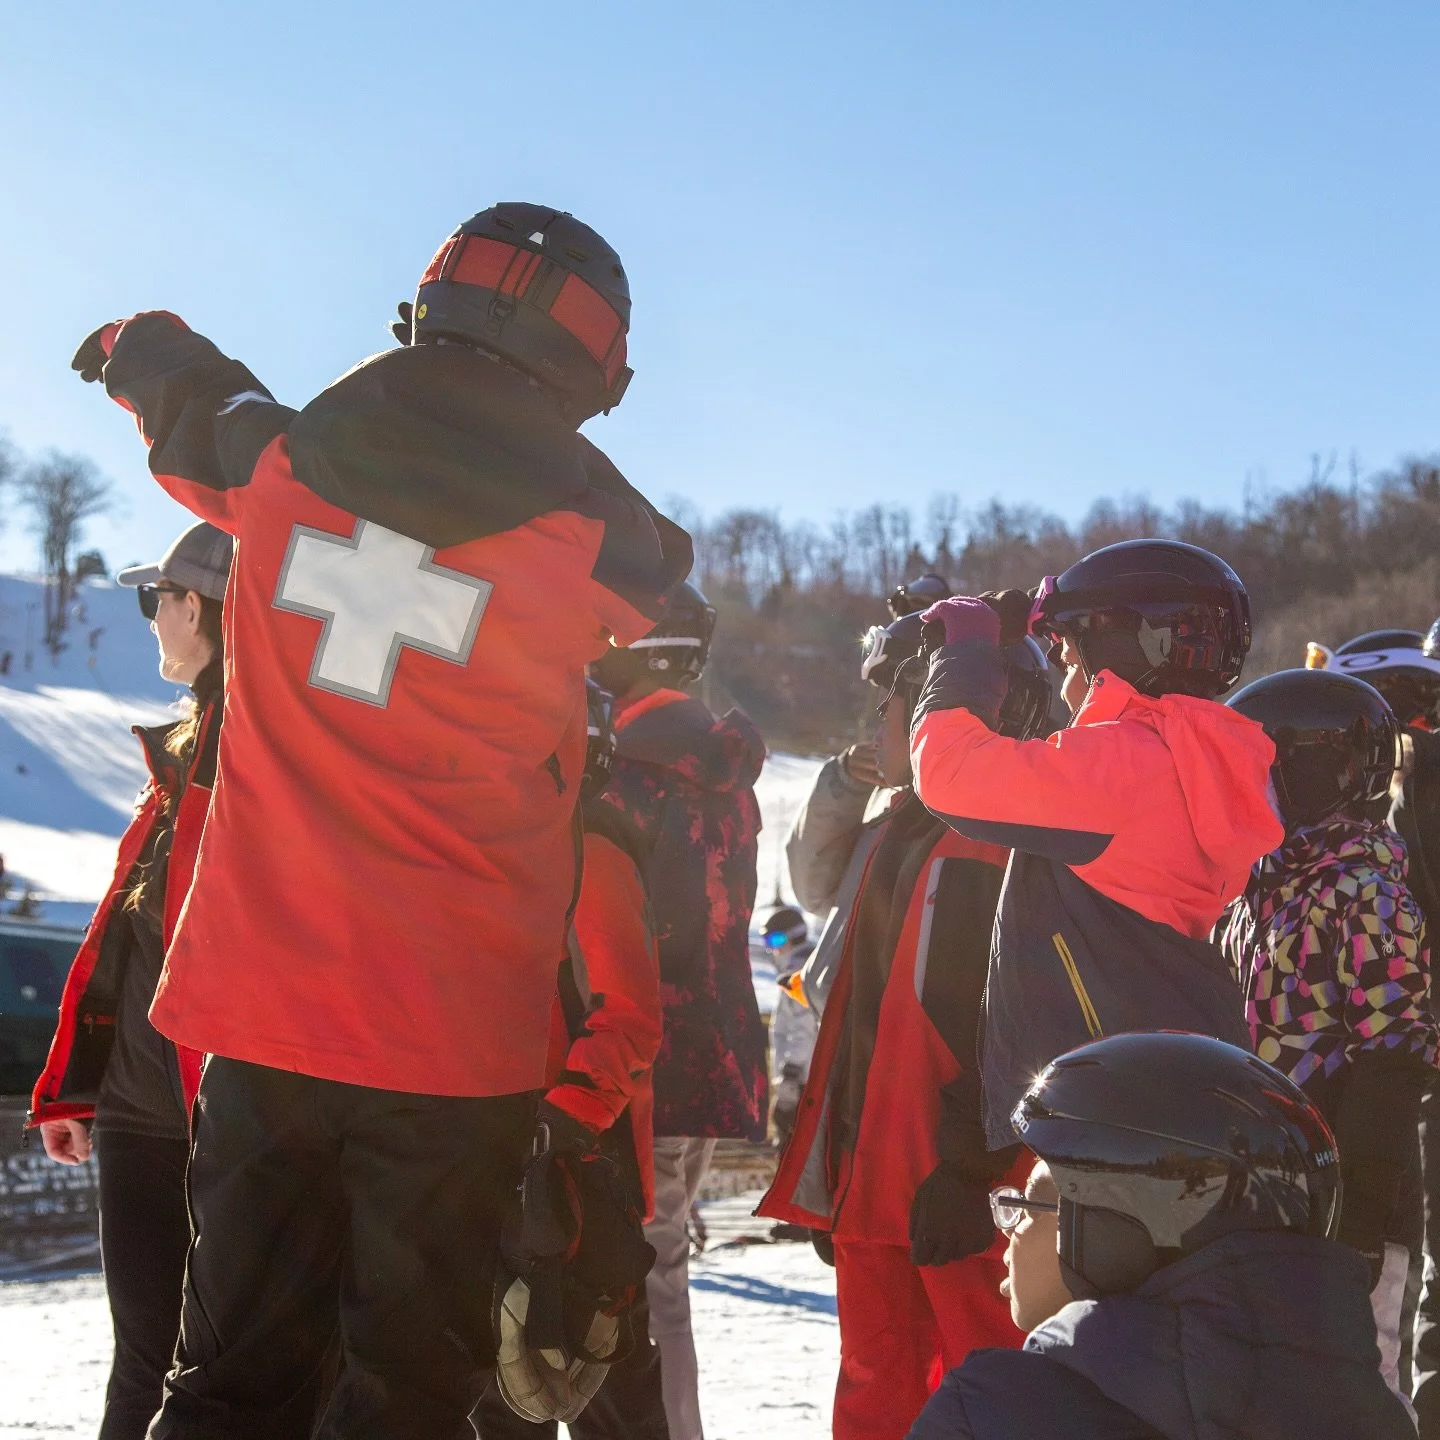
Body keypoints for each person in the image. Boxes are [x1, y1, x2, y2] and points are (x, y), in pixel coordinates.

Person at [72, 203, 690, 1440]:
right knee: (407, 1400)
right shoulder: (591, 536)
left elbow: (181, 384)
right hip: (460, 1041)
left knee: (230, 1388)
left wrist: (135, 345)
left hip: (266, 1013)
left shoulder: (280, 458)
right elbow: (663, 583)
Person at [758, 612, 1053, 1440]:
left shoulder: (991, 845)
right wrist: (838, 1176)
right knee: (876, 1392)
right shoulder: (894, 832)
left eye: (889, 712)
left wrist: (975, 1170)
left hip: (955, 1184)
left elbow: (1008, 1030)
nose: (873, 732)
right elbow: (854, 1017)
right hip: (877, 1185)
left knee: (988, 1379)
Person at [910, 541, 1283, 1152]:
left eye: (1067, 653)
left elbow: (949, 772)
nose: (1064, 676)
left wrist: (969, 654)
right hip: (1170, 1065)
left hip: (1106, 1092)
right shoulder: (1197, 757)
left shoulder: (1124, 764)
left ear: (1119, 649)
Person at [907, 1031, 1416, 1440]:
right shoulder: (1379, 1418)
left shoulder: (994, 1411)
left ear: (1116, 1234)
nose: (1009, 1232)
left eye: (1029, 1205)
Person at [27, 523, 231, 1440]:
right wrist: (81, 1084)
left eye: (159, 601)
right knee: (146, 1359)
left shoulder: (250, 749)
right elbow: (128, 940)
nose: (151, 620)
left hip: (223, 1115)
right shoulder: (187, 748)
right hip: (144, 1108)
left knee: (220, 1365)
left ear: (199, 609)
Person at [1222, 667, 1438, 1401]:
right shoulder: (1260, 891)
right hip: (1266, 1196)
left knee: (1353, 1393)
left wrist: (1360, 1223)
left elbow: (1394, 1064)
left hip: (1352, 1207)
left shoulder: (1368, 892)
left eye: (1264, 773)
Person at [590, 579, 766, 1440]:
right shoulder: (724, 766)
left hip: (637, 1063)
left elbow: (623, 931)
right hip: (710, 1058)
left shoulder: (630, 775)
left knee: (628, 1284)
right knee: (662, 1275)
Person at [475, 680, 667, 1438]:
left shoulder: (591, 840)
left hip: (576, 1170)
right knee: (501, 1391)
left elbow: (628, 1013)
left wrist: (565, 1124)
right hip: (502, 1155)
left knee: (604, 1382)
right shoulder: (500, 840)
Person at [762, 905, 815, 1145]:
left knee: (793, 1145)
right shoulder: (802, 971)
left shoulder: (799, 975)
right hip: (800, 1078)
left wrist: (790, 1075)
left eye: (776, 939)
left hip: (801, 1080)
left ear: (795, 936)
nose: (773, 948)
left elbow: (804, 1028)